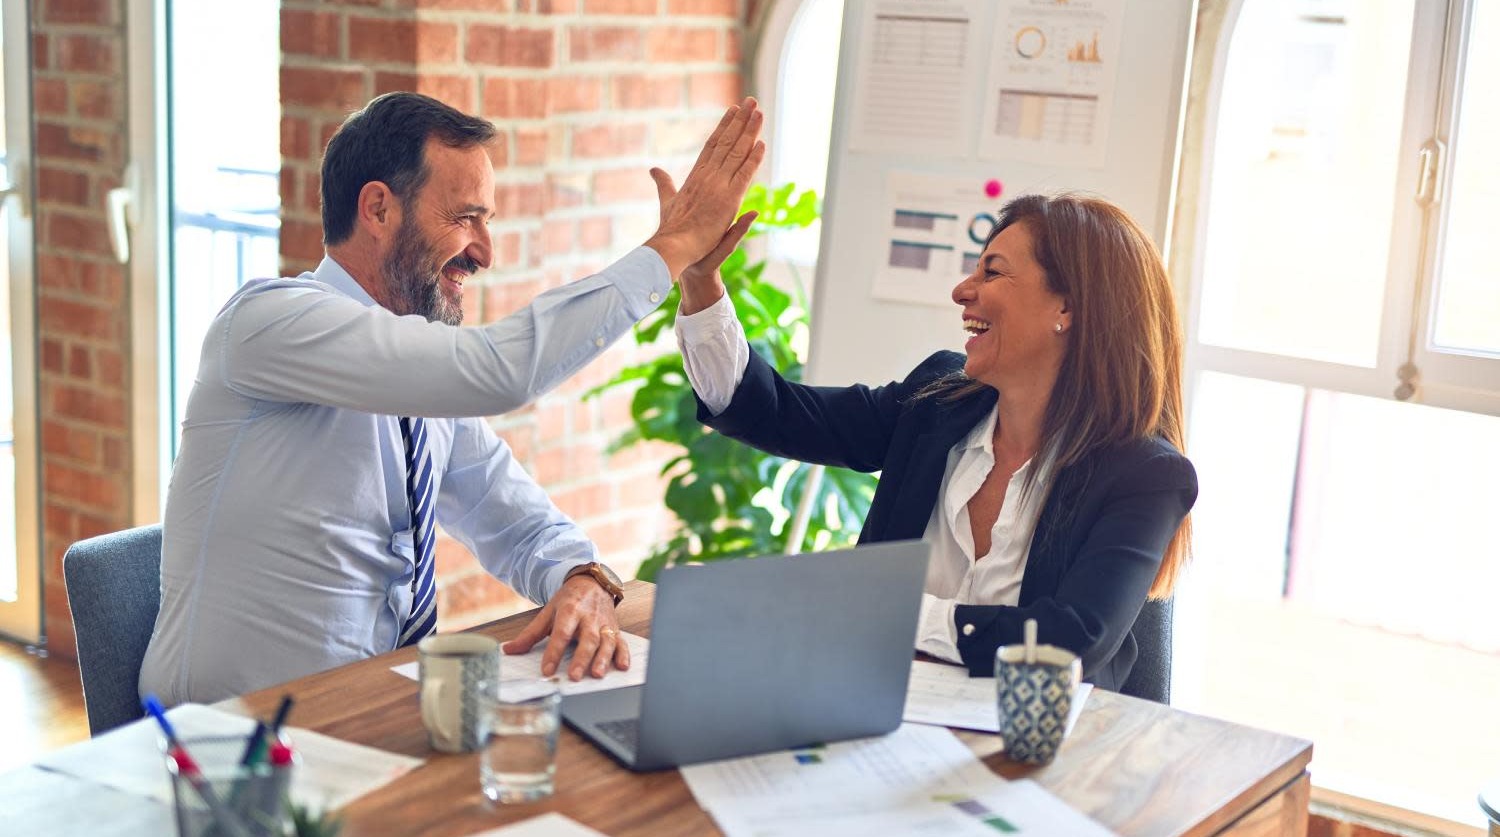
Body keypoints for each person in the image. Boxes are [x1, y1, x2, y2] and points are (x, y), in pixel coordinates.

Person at [140, 92, 764, 705]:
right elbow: (500, 371)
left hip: (371, 716)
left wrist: (583, 577)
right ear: (379, 210)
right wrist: (674, 246)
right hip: (228, 744)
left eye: (486, 221)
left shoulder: (420, 382)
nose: (485, 252)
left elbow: (515, 519)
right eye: (466, 217)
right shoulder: (269, 323)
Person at [674, 193, 1196, 691]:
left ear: (1067, 308)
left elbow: (1068, 643)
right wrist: (701, 281)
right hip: (875, 715)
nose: (962, 290)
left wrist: (888, 610)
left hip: (1037, 755)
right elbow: (774, 412)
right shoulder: (937, 402)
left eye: (992, 271)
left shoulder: (1144, 475)